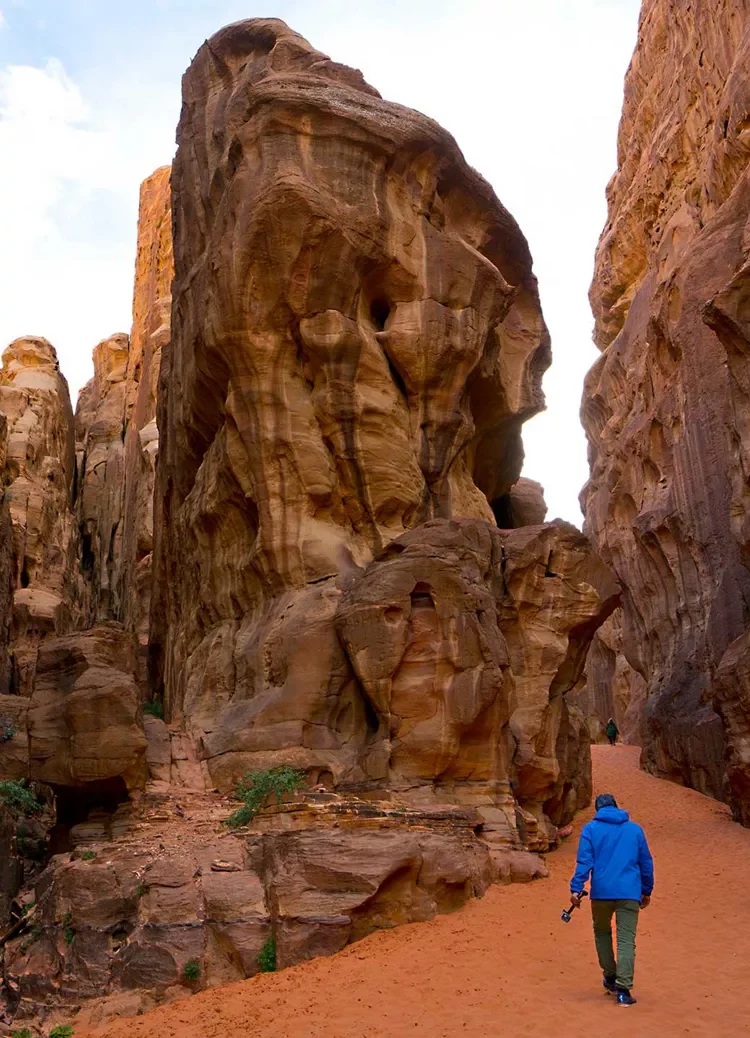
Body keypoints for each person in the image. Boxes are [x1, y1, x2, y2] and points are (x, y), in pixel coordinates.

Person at [570, 793, 654, 1007]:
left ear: (598, 810)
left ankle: (609, 976)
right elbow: (646, 862)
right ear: (617, 807)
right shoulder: (635, 830)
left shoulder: (590, 829)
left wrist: (576, 888)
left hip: (602, 892)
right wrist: (646, 890)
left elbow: (584, 862)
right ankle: (624, 991)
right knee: (626, 939)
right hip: (629, 893)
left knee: (602, 932)